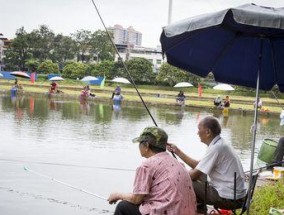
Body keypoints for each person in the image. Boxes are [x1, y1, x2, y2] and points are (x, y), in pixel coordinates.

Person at [108, 126, 197, 215]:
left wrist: (117, 195)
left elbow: (136, 199)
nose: (139, 146)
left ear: (146, 145)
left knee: (123, 206)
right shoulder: (178, 163)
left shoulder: (146, 166)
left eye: (140, 143)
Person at [167, 116, 246, 213]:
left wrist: (177, 172)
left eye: (199, 129)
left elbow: (193, 175)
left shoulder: (216, 148)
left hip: (230, 199)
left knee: (186, 182)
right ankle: (198, 210)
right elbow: (198, 166)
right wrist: (177, 151)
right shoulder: (219, 143)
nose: (197, 133)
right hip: (235, 194)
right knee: (194, 177)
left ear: (208, 132)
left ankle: (198, 211)